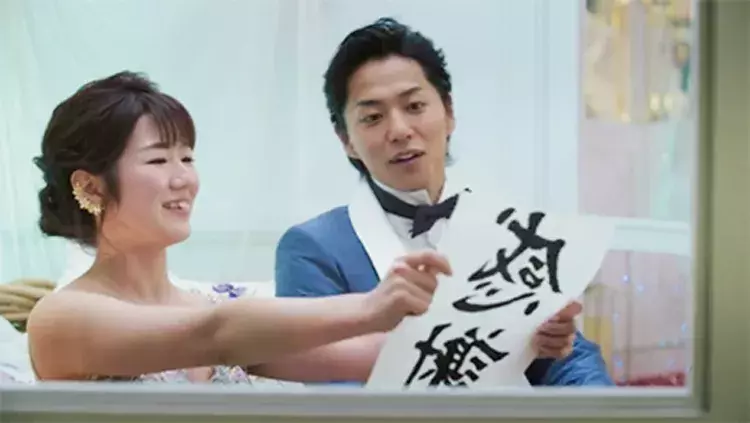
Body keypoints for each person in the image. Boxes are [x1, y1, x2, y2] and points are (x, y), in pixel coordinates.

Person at [26, 71, 453, 384]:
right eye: (158, 160)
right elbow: (215, 333)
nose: (183, 179)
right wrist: (370, 306)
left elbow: (373, 356)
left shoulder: (208, 307)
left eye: (187, 158)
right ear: (90, 186)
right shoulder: (61, 316)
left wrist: (487, 329)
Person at [275, 17, 613, 386]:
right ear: (346, 140)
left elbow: (571, 361)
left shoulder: (503, 229)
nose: (399, 130)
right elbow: (329, 390)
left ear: (449, 113)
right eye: (372, 117)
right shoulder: (313, 249)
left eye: (414, 106)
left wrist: (553, 345)